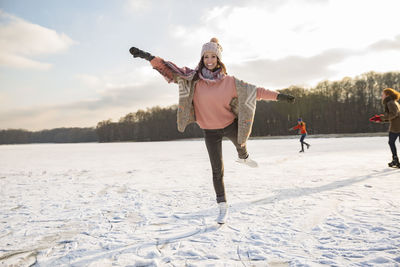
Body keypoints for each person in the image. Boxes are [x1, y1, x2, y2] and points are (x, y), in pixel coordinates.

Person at [129, 38, 295, 224]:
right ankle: (222, 206)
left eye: (213, 56)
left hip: (229, 124)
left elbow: (255, 91)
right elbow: (168, 69)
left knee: (241, 141)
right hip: (210, 131)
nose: (209, 60)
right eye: (206, 56)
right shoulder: (192, 79)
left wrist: (280, 96)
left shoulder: (231, 82)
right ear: (202, 58)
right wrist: (148, 57)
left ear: (219, 58)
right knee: (217, 171)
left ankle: (244, 157)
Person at [369, 88, 400, 168]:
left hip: (396, 127)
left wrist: (381, 118)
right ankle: (395, 160)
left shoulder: (390, 103)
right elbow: (394, 116)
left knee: (391, 142)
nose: (381, 96)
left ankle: (395, 160)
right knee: (391, 142)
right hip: (396, 126)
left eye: (383, 94)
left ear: (387, 95)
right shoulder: (394, 102)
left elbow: (393, 114)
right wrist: (381, 120)